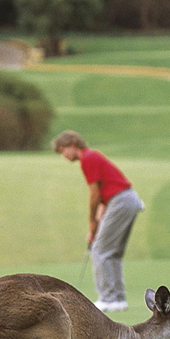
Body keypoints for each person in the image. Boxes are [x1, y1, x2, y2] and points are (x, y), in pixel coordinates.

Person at [52, 130, 144, 312]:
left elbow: (94, 193)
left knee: (100, 250)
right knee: (112, 252)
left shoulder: (88, 158)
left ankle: (107, 298)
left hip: (121, 201)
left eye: (63, 150)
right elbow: (103, 191)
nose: (63, 156)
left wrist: (92, 222)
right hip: (126, 200)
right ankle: (118, 299)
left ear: (72, 144)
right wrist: (97, 222)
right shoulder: (91, 156)